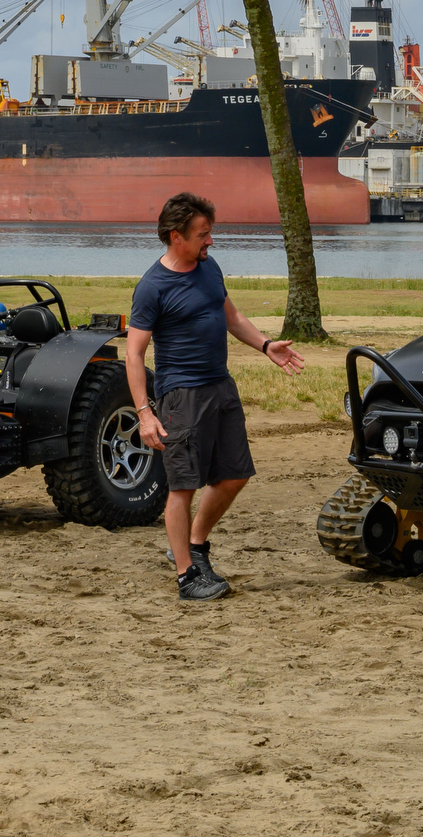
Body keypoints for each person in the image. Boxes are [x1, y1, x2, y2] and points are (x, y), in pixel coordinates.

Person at [124, 191, 303, 602]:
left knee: (236, 474)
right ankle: (188, 577)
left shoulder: (209, 267)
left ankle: (195, 544)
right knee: (182, 487)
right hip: (181, 396)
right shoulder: (153, 286)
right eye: (203, 234)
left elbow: (231, 315)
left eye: (210, 232)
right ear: (175, 237)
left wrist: (265, 345)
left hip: (220, 386)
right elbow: (134, 353)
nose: (210, 241)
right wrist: (145, 414)